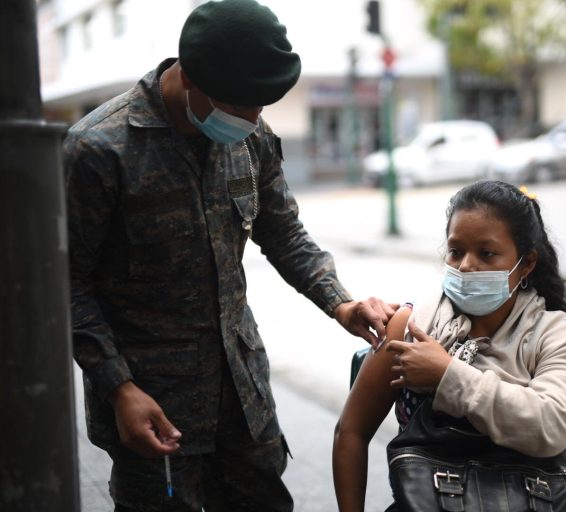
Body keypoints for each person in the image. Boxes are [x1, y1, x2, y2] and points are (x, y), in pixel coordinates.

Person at [64, 1, 396, 510]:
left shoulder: (249, 137)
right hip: (152, 409)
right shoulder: (98, 150)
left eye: (260, 106)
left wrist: (341, 304)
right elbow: (69, 287)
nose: (253, 119)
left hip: (243, 399)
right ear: (190, 77)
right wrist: (118, 387)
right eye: (241, 106)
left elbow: (283, 233)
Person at [332, 180, 566, 511]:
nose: (466, 265)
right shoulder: (413, 326)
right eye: (456, 251)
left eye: (486, 253)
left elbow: (551, 424)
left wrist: (447, 375)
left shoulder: (553, 333)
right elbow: (351, 431)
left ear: (526, 264)